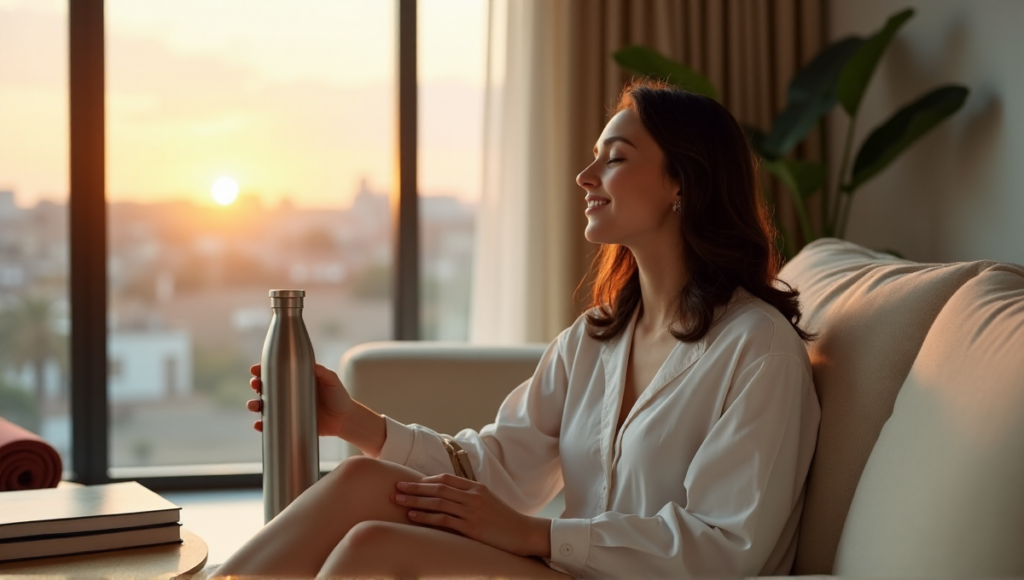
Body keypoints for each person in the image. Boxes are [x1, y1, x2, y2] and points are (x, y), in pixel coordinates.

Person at [214, 79, 820, 579]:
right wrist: (353, 423)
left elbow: (725, 546)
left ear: (681, 184)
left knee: (374, 547)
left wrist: (535, 533)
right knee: (360, 482)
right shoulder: (596, 338)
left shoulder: (757, 349)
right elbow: (494, 471)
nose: (585, 176)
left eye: (614, 159)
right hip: (567, 570)